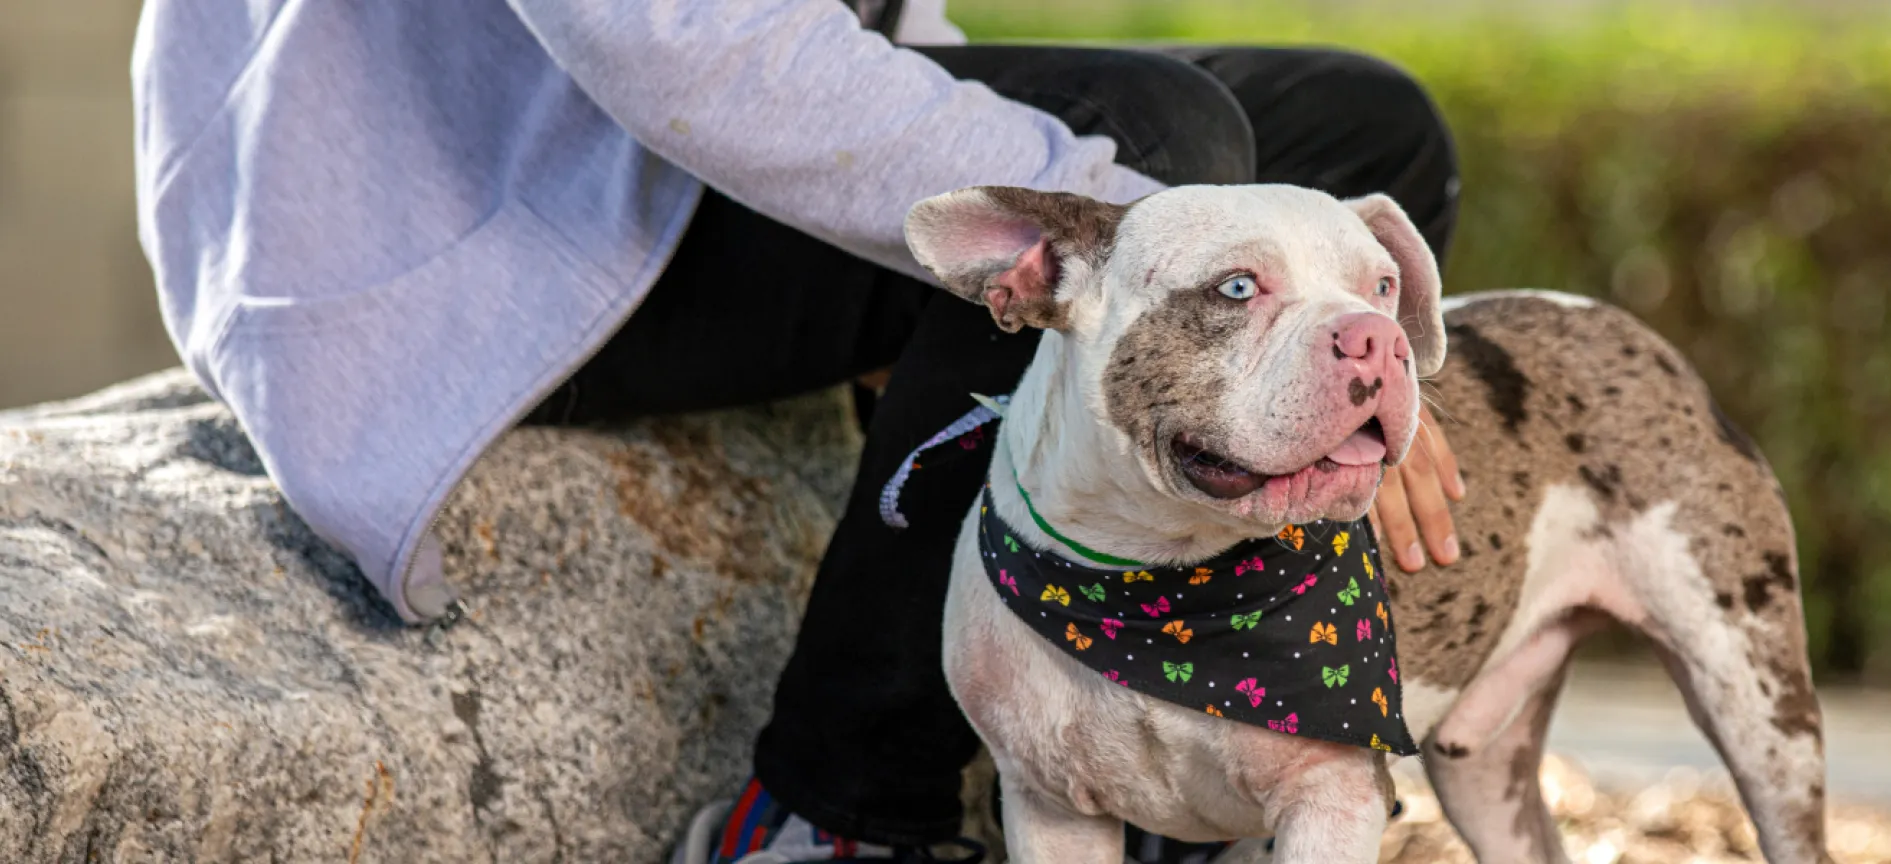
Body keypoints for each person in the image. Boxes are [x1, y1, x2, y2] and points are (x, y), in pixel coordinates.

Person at [132, 0, 1467, 861]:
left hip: (652, 173)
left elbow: (851, 37)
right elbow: (678, 41)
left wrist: (1326, 377)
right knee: (1144, 144)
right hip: (457, 242)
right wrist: (1122, 263)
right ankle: (838, 814)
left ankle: (1202, 753)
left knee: (1358, 126)